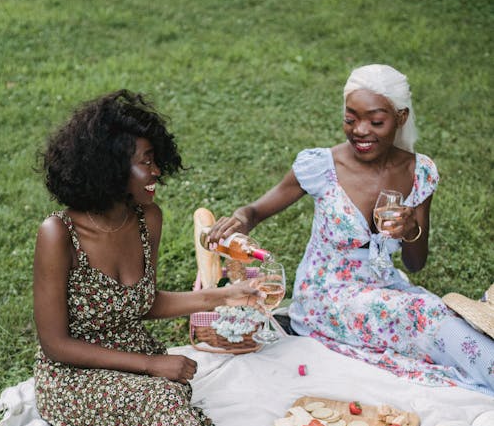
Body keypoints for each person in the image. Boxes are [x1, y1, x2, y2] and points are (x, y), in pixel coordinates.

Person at [33, 90, 305, 426]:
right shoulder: (59, 234)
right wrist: (152, 366)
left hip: (135, 362)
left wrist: (224, 297)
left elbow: (144, 302)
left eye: (156, 160)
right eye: (145, 162)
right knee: (160, 408)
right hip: (71, 375)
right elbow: (55, 344)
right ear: (109, 167)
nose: (156, 172)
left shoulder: (145, 221)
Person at [209, 65, 494, 394]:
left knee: (450, 318)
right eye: (350, 119)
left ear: (400, 117)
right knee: (426, 315)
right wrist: (239, 220)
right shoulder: (322, 166)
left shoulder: (419, 172)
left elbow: (416, 263)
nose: (360, 130)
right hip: (324, 298)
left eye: (375, 121)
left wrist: (412, 228)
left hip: (385, 287)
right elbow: (255, 211)